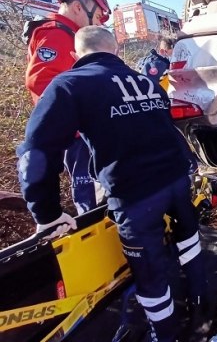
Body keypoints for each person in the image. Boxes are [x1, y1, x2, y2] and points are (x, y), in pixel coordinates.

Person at [17, 26, 205, 342]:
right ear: (116, 50)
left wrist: (46, 213)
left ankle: (167, 333)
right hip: (175, 179)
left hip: (135, 195)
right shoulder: (147, 82)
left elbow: (36, 155)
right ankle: (201, 295)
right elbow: (164, 129)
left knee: (149, 274)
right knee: (188, 238)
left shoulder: (70, 85)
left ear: (76, 55)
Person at [22, 0, 111, 215]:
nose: (98, 24)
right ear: (79, 7)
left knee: (95, 185)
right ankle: (92, 231)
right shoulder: (57, 34)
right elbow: (41, 81)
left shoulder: (67, 33)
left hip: (80, 130)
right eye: (98, 17)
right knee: (89, 190)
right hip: (77, 133)